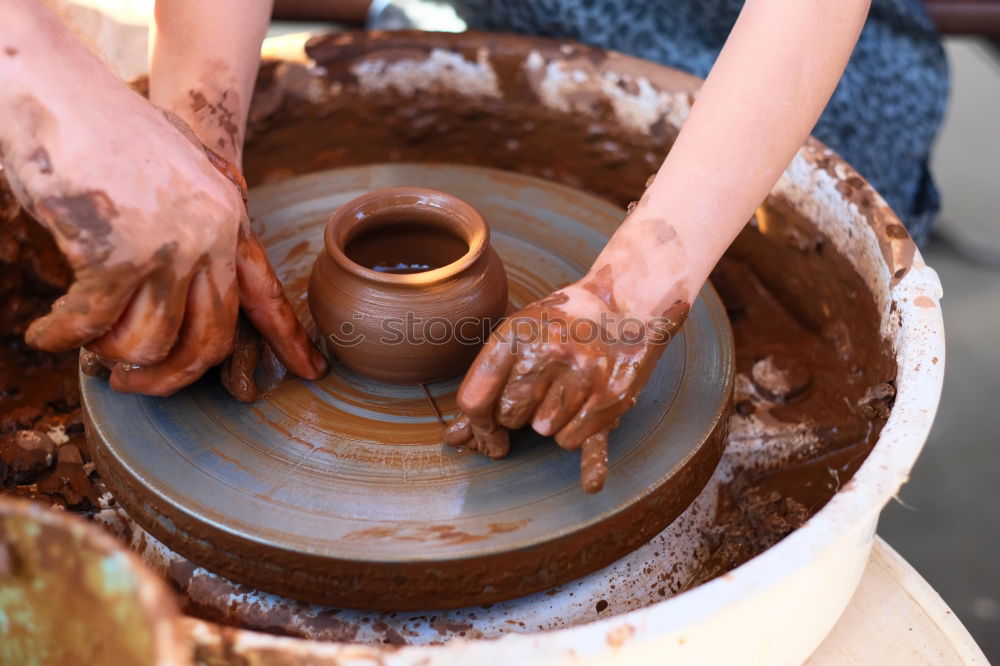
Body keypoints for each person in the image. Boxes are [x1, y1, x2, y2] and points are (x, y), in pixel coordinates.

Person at [0, 0, 946, 490]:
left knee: (823, 236)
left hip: (773, 46)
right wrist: (200, 162)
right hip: (500, 7)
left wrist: (633, 289)